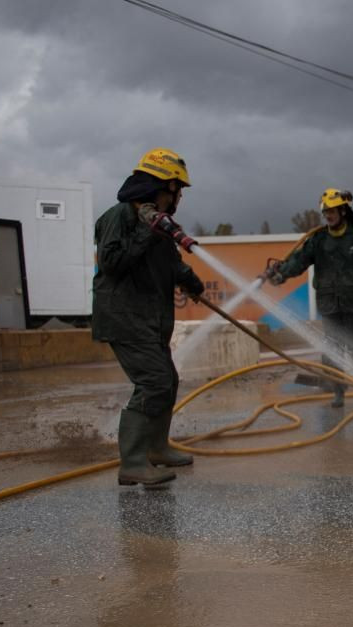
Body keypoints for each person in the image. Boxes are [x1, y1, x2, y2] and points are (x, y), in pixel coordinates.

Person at [92, 147, 205, 486]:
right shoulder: (120, 216)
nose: (179, 197)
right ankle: (133, 462)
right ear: (162, 185)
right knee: (153, 382)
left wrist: (190, 281)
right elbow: (111, 263)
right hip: (124, 317)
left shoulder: (158, 223)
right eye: (177, 189)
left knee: (166, 381)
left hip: (150, 320)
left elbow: (168, 264)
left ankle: (156, 448)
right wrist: (148, 231)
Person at [263, 189, 353, 409]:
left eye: (332, 211)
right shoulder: (318, 240)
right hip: (329, 304)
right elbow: (299, 260)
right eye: (325, 211)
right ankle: (338, 390)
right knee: (333, 351)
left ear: (343, 211)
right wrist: (282, 275)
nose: (328, 215)